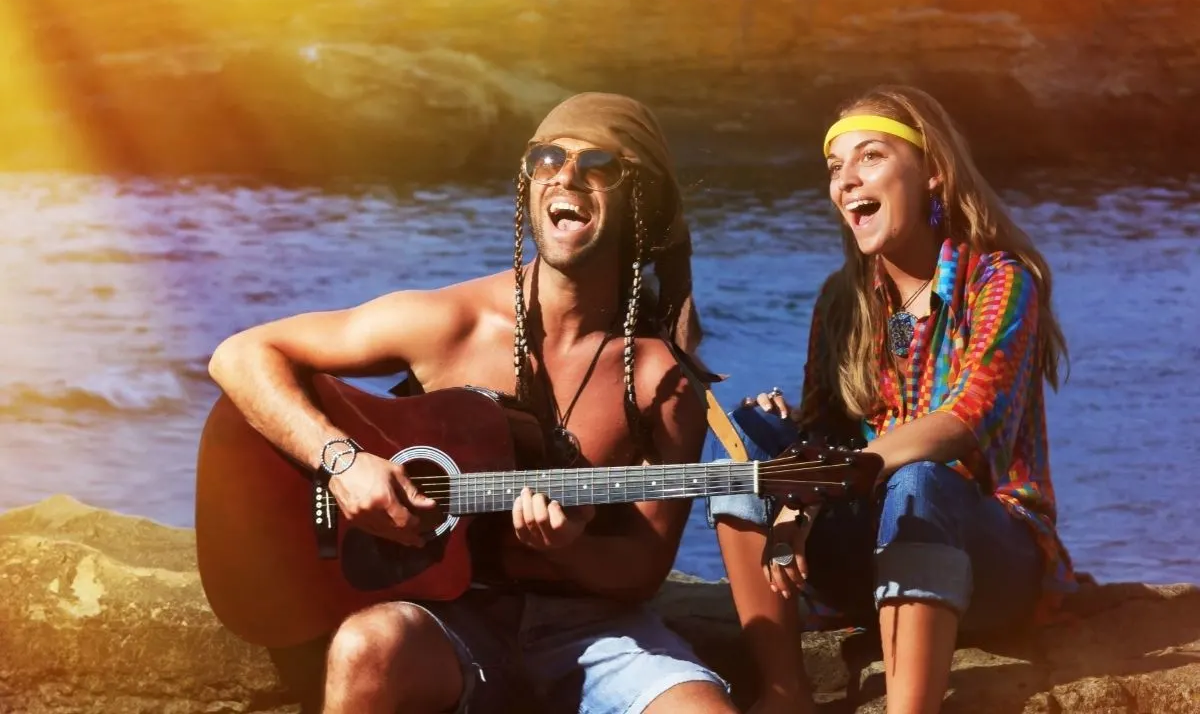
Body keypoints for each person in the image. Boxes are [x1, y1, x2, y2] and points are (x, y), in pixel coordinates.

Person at [207, 92, 737, 714]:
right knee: (366, 648)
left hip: (594, 633)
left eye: (599, 165)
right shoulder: (448, 323)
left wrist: (569, 549)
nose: (566, 176)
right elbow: (239, 355)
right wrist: (342, 462)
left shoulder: (659, 380)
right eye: (546, 159)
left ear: (640, 197)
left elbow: (641, 571)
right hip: (446, 617)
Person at [704, 85, 1078, 714]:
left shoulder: (1000, 281)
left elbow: (966, 418)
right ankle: (782, 690)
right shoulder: (840, 300)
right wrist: (795, 453)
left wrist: (818, 488)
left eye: (870, 157)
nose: (848, 181)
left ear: (933, 171)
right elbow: (828, 429)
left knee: (921, 484)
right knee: (743, 457)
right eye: (835, 167)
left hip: (991, 556)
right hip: (870, 541)